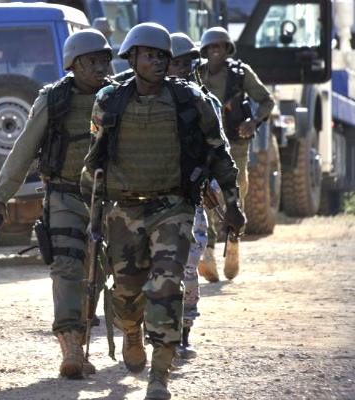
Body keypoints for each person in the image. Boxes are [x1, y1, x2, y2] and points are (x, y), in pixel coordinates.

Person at [82, 23, 245, 399]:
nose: (158, 62)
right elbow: (95, 160)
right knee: (126, 294)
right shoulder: (109, 100)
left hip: (173, 206)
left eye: (163, 56)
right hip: (124, 210)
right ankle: (131, 332)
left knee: (167, 286)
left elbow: (218, 152)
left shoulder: (190, 100)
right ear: (132, 59)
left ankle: (159, 375)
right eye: (150, 55)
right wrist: (91, 211)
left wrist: (233, 204)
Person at [0, 29, 112, 380]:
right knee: (67, 267)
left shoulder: (117, 97)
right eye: (92, 61)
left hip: (109, 199)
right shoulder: (54, 100)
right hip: (64, 195)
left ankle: (84, 335)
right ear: (73, 64)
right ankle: (70, 345)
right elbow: (24, 149)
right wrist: (0, 196)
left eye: (104, 60)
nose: (100, 67)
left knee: (98, 273)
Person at [197, 27, 275, 281]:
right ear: (204, 50)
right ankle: (208, 251)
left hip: (236, 144)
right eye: (210, 47)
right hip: (206, 143)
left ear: (227, 49)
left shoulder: (241, 73)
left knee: (236, 192)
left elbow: (267, 100)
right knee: (205, 194)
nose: (215, 51)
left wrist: (254, 121)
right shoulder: (196, 73)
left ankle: (233, 242)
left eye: (219, 47)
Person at [166, 32, 219, 359]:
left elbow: (218, 152)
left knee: (188, 268)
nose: (183, 69)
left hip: (190, 198)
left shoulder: (203, 102)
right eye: (176, 63)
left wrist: (218, 188)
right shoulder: (137, 100)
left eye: (187, 63)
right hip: (149, 199)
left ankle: (184, 332)